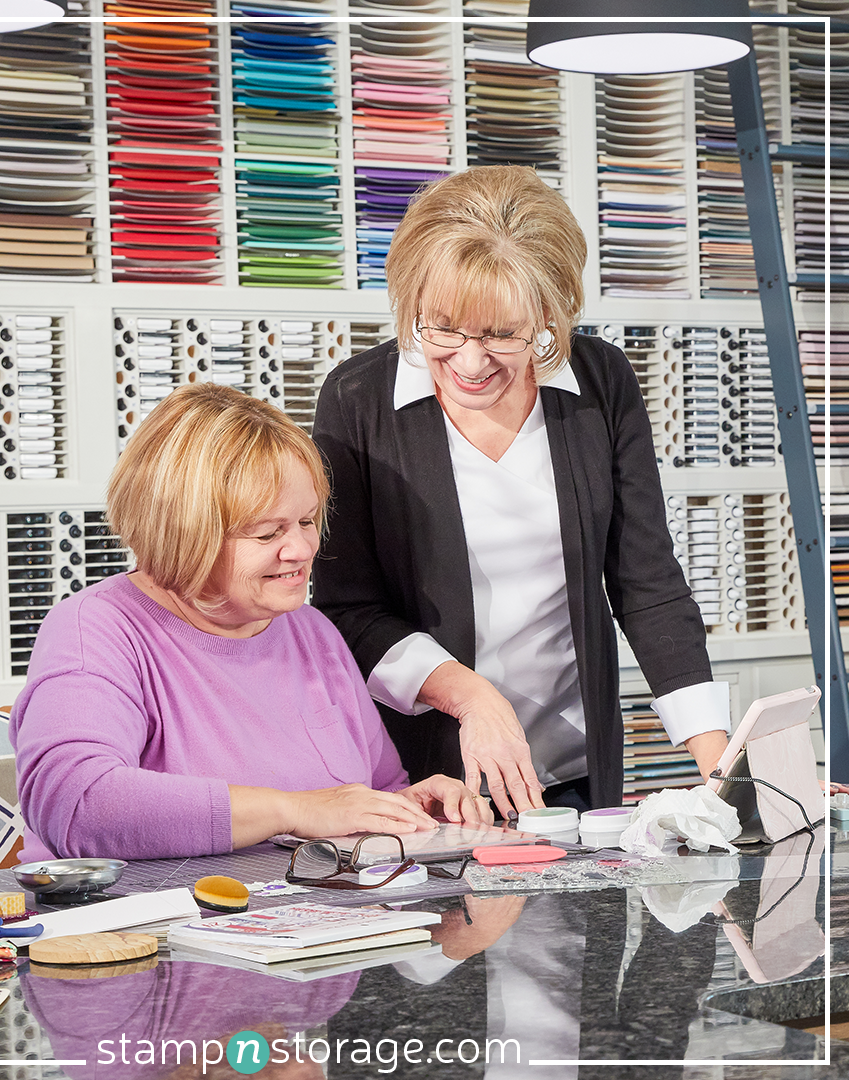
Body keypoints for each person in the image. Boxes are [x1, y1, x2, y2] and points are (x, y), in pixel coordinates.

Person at [311, 165, 731, 821]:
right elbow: (348, 609)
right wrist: (472, 697)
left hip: (574, 772)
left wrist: (724, 770)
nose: (471, 363)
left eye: (504, 334)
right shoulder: (358, 400)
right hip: (431, 780)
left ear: (551, 311)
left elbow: (646, 580)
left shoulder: (599, 382)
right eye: (443, 328)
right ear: (410, 300)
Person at [10, 382, 485, 863]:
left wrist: (402, 811)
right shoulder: (97, 629)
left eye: (307, 521)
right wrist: (295, 811)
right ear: (182, 531)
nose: (302, 551)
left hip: (309, 922)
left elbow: (376, 786)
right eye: (267, 532)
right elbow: (79, 807)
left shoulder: (312, 631)